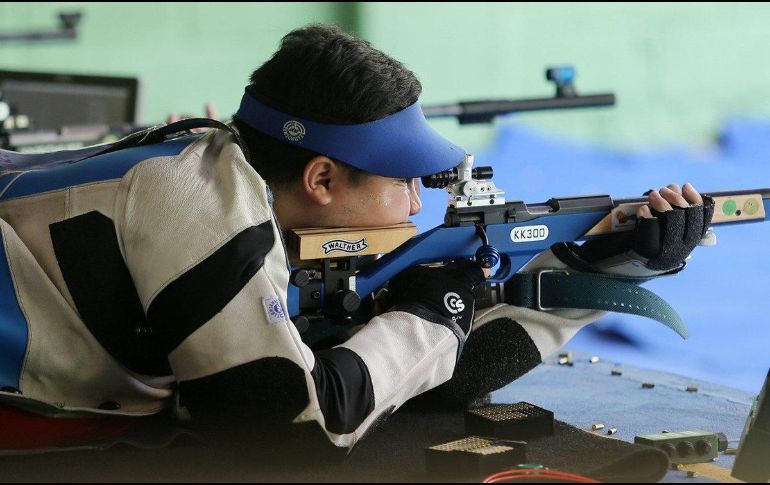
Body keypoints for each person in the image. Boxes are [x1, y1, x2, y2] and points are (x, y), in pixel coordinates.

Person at [0, 24, 712, 454]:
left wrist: (600, 266)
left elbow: (434, 378)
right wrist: (433, 314)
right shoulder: (193, 201)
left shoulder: (233, 181)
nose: (416, 202)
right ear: (321, 178)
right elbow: (283, 436)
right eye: (404, 180)